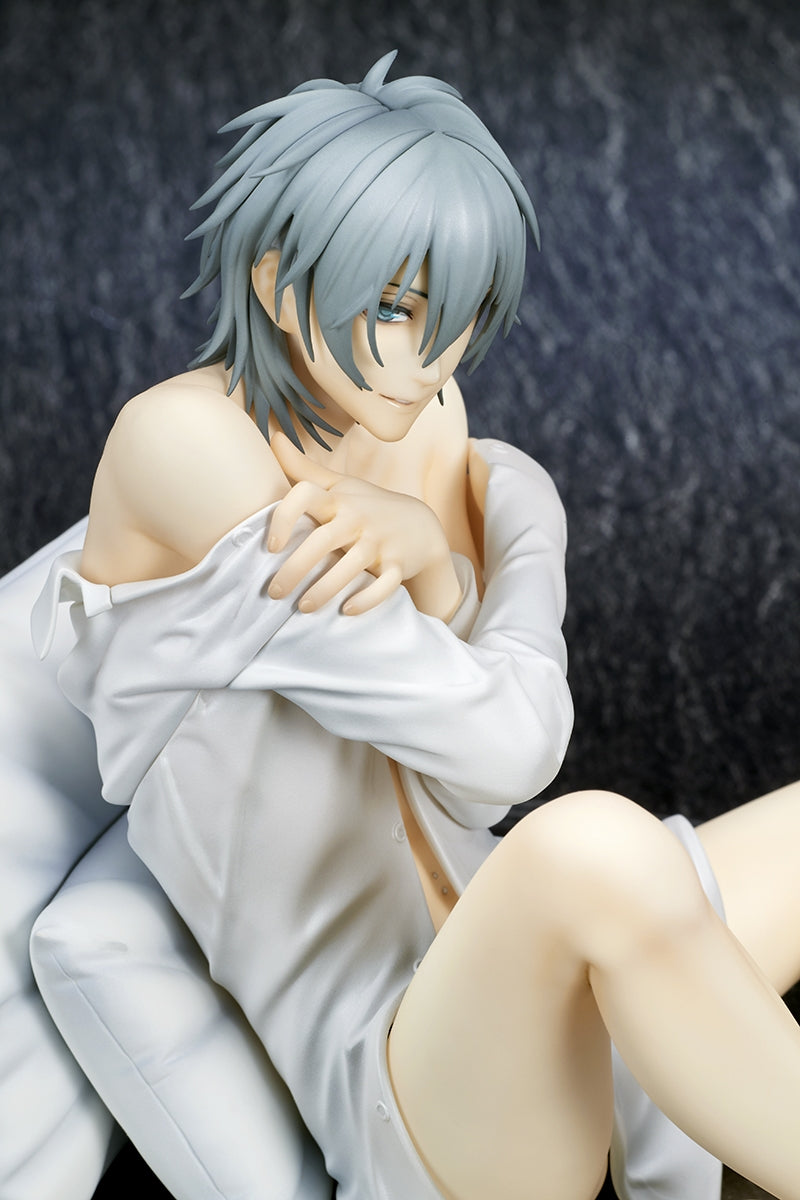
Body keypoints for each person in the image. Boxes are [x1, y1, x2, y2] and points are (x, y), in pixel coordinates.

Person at [35, 52, 800, 1200]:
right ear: (275, 278)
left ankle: (682, 1065)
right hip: (415, 1088)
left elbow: (468, 797)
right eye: (393, 309)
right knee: (585, 842)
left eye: (459, 317)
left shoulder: (430, 422)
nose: (429, 360)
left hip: (547, 974)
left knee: (616, 854)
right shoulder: (181, 445)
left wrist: (439, 564)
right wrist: (472, 553)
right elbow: (510, 751)